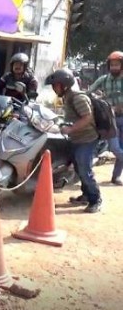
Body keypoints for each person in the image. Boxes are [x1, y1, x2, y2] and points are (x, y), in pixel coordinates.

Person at [45, 68, 102, 213]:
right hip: (77, 139)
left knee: (85, 169)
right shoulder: (67, 97)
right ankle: (86, 195)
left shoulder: (78, 97)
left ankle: (96, 199)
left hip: (87, 139)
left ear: (65, 84)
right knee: (78, 168)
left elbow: (87, 117)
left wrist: (70, 129)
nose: (54, 88)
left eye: (56, 85)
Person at [88, 51, 123, 185]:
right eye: (112, 65)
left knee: (121, 147)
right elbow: (88, 92)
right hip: (110, 119)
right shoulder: (103, 79)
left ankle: (116, 177)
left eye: (117, 65)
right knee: (115, 148)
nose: (114, 67)